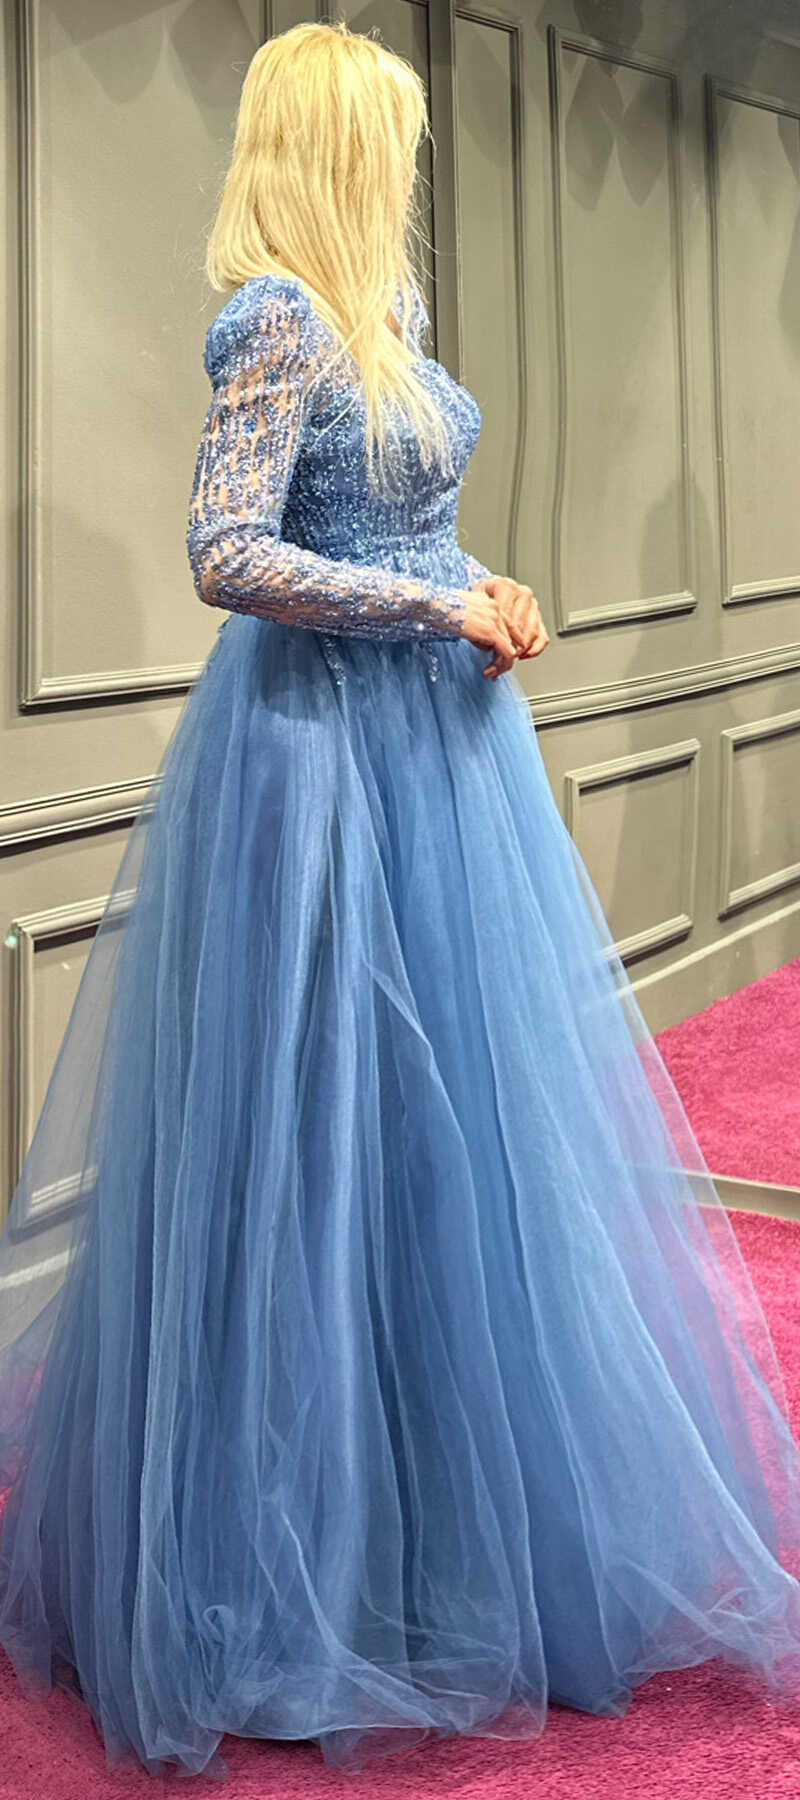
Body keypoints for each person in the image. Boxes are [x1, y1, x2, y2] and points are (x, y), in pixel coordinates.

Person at [2, 18, 800, 1784]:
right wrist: (438, 609)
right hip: (315, 767)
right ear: (339, 149)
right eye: (396, 140)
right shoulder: (276, 315)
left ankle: (442, 1519)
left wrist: (486, 585)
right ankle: (304, 1555)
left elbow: (399, 525)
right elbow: (227, 550)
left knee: (452, 1140)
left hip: (434, 755)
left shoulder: (387, 319)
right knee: (320, 1137)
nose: (414, 168)